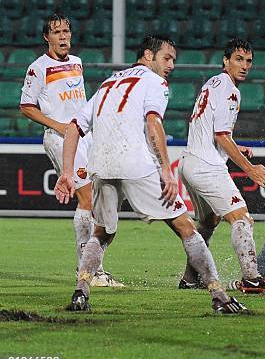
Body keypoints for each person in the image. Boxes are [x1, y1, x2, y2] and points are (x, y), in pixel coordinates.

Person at [54, 34, 246, 314]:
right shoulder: (155, 83)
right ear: (148, 55)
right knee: (185, 227)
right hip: (135, 163)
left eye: (174, 60)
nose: (171, 65)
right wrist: (167, 172)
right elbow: (153, 123)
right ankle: (219, 295)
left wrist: (68, 172)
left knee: (102, 232)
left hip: (101, 165)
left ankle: (81, 290)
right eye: (167, 58)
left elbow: (73, 128)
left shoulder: (109, 81)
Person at [20, 13, 123, 287]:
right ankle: (89, 271)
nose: (63, 36)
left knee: (99, 197)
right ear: (47, 37)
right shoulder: (37, 68)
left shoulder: (77, 63)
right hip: (60, 138)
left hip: (83, 137)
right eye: (57, 32)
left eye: (66, 31)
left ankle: (91, 268)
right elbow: (26, 106)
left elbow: (80, 102)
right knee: (87, 199)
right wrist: (59, 126)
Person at [178, 39, 265, 295]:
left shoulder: (214, 83)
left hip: (189, 162)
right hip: (206, 167)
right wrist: (250, 168)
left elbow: (214, 131)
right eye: (238, 59)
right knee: (242, 218)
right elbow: (221, 135)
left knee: (209, 221)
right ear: (226, 60)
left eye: (248, 61)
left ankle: (190, 278)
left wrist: (236, 147)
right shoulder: (230, 90)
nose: (244, 66)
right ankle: (252, 278)